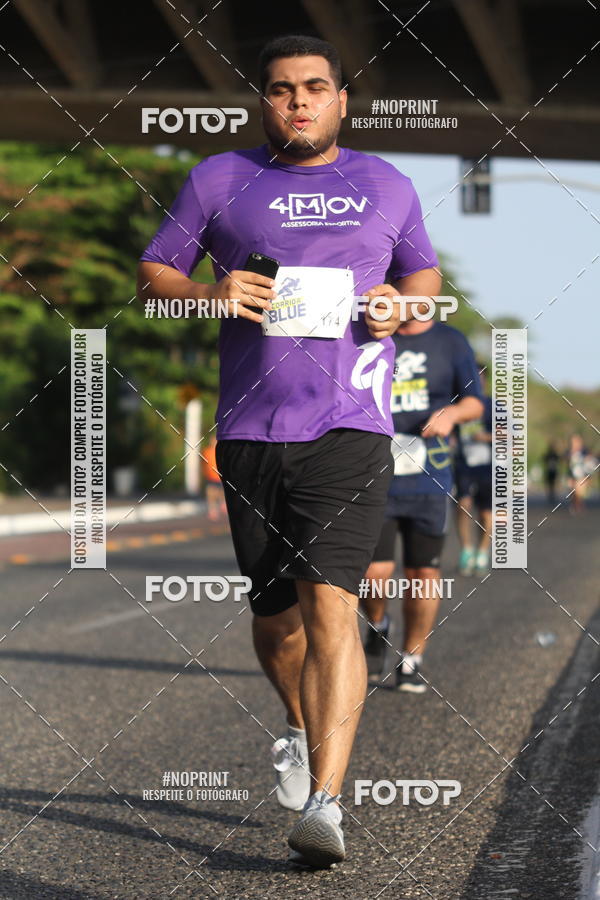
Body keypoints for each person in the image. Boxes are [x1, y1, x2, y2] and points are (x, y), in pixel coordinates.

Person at [138, 34, 440, 868]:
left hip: (351, 427)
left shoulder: (386, 183)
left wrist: (397, 308)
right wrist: (210, 290)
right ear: (261, 101)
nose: (298, 101)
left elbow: (421, 281)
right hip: (249, 432)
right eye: (280, 90)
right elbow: (152, 273)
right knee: (277, 625)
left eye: (315, 88)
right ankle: (299, 729)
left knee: (331, 607)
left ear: (343, 99)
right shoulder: (219, 179)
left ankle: (326, 804)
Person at [361, 317, 483, 691]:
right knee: (372, 575)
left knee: (423, 577)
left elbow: (475, 402)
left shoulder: (451, 341)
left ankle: (412, 657)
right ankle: (378, 624)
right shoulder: (370, 333)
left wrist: (452, 413)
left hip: (429, 477)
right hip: (373, 475)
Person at [454, 368, 493, 576]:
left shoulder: (493, 406)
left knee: (486, 513)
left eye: (479, 379)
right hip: (464, 465)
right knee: (464, 504)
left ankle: (482, 553)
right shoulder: (457, 405)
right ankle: (467, 550)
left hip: (488, 466)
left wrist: (485, 437)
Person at [202, 435, 226, 522]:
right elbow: (204, 464)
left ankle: (223, 504)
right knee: (210, 495)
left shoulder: (220, 451)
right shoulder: (206, 451)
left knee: (221, 493)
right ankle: (213, 511)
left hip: (219, 477)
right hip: (210, 477)